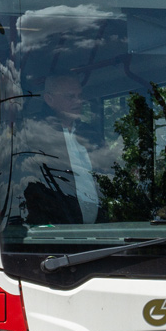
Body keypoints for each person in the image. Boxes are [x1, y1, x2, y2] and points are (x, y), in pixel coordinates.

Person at [18, 74, 106, 225]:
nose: (78, 101)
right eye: (70, 96)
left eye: (79, 96)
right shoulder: (32, 132)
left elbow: (106, 173)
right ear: (49, 99)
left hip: (97, 227)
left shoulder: (91, 134)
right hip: (54, 229)